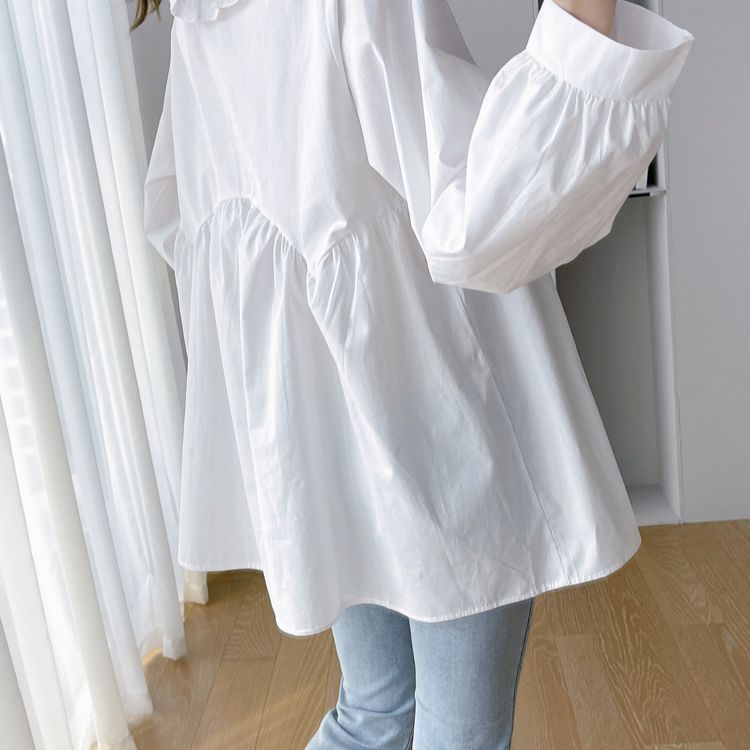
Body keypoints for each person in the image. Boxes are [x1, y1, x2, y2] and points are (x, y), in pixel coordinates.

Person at [134, 0, 693, 746]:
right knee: (453, 731)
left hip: (323, 428)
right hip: (438, 418)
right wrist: (586, 27)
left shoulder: (194, 17)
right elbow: (476, 217)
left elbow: (183, 225)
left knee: (374, 711)